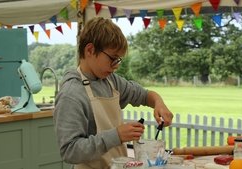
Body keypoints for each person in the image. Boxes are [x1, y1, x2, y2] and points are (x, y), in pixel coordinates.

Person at [53, 17, 173, 169]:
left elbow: (144, 95)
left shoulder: (111, 81)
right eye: (112, 58)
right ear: (90, 50)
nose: (115, 66)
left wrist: (158, 103)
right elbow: (70, 151)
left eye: (118, 60)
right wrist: (116, 135)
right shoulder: (71, 94)